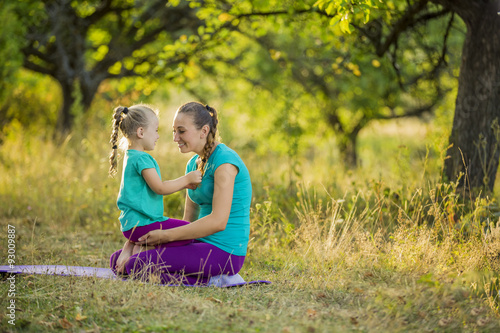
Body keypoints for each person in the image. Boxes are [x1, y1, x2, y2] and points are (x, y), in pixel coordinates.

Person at [109, 102, 252, 285]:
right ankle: (204, 276)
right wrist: (137, 242)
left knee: (137, 265)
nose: (175, 138)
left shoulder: (225, 163)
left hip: (224, 251)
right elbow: (188, 221)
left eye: (181, 131)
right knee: (118, 260)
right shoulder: (193, 164)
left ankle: (213, 281)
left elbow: (218, 222)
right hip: (198, 244)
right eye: (173, 131)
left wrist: (165, 237)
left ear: (204, 131)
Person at [108, 104, 202, 274]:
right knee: (189, 232)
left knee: (179, 229)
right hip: (145, 224)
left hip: (131, 226)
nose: (158, 136)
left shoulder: (131, 156)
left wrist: (184, 184)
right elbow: (160, 187)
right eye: (156, 130)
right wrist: (187, 179)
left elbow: (153, 186)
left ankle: (130, 248)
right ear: (141, 132)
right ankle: (140, 254)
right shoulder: (143, 159)